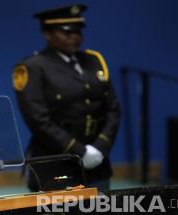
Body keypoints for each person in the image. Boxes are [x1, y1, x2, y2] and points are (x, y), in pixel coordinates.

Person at [13, 4, 121, 192]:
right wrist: (79, 151)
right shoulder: (33, 67)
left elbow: (113, 108)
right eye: (66, 32)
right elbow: (38, 120)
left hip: (97, 161)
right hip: (55, 161)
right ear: (47, 34)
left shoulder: (94, 60)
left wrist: (101, 146)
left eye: (78, 31)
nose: (75, 37)